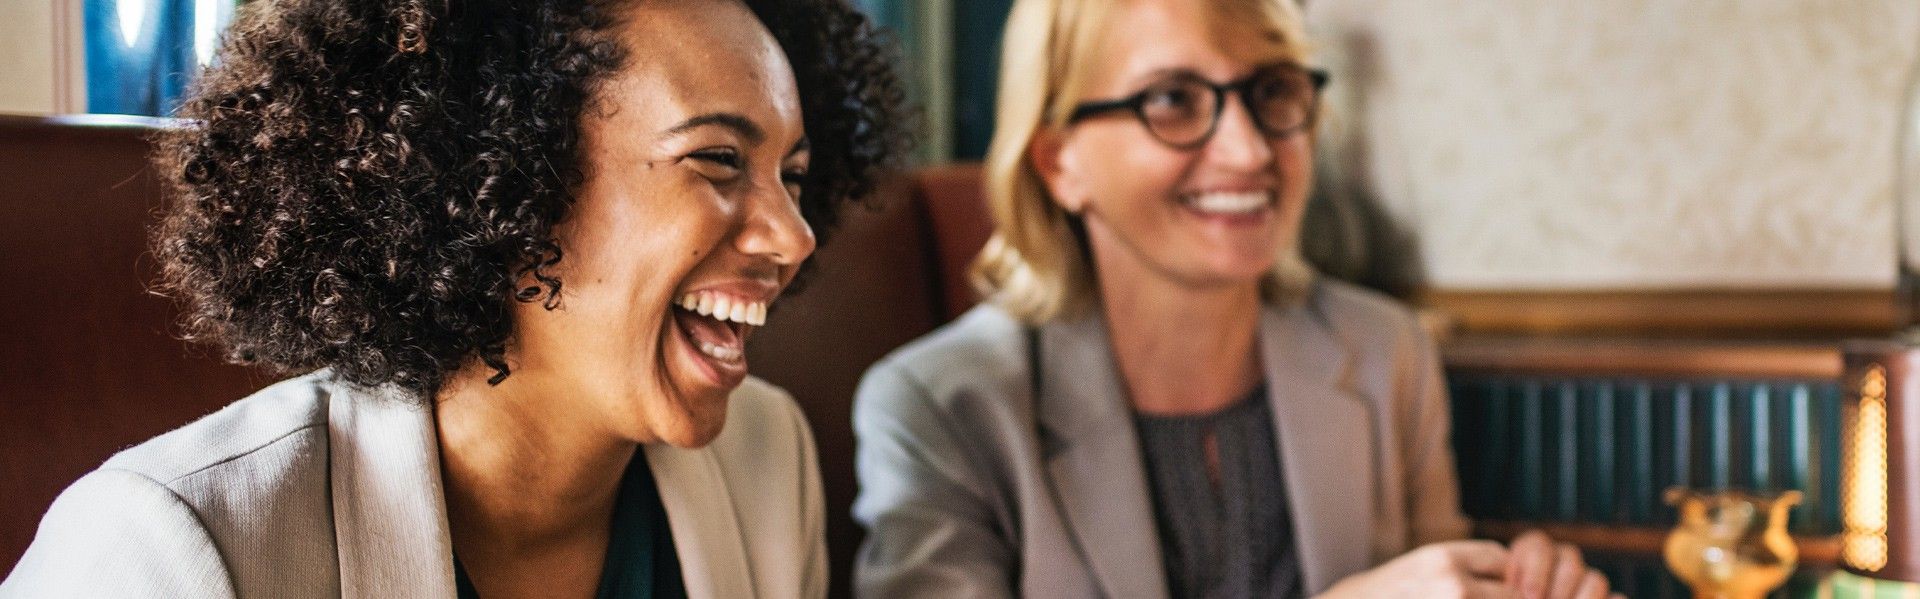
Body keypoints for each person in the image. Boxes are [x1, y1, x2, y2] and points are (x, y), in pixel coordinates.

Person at [0, 0, 902, 596]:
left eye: (793, 176)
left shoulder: (768, 458)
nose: (794, 236)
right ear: (502, 174)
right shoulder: (169, 549)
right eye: (717, 159)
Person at [850, 0, 1614, 598]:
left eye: (1273, 90)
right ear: (1060, 162)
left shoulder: (1387, 351)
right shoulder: (937, 407)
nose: (1250, 150)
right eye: (1175, 99)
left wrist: (1508, 584)